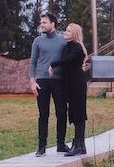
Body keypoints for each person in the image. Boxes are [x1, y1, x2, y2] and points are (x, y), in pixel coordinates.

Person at [28, 11, 68, 156]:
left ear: (53, 24)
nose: (42, 25)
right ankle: (41, 147)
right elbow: (32, 62)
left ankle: (61, 144)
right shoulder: (38, 41)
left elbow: (70, 59)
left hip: (60, 82)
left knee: (62, 113)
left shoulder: (63, 41)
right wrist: (32, 81)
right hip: (42, 82)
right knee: (43, 114)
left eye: (44, 22)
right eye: (41, 22)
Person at [52, 22, 90, 156]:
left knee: (79, 113)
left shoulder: (77, 47)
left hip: (77, 83)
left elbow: (69, 60)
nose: (65, 33)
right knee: (74, 112)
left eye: (68, 31)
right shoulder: (68, 46)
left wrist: (53, 64)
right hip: (70, 83)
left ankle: (78, 143)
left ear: (74, 34)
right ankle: (80, 144)